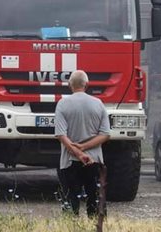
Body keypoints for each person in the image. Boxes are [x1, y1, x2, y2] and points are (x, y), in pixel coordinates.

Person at [54, 70, 110, 217]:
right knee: (95, 202)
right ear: (87, 85)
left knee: (71, 202)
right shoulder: (98, 104)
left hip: (69, 162)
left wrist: (78, 153)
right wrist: (84, 149)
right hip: (94, 161)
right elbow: (105, 134)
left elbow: (61, 135)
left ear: (70, 85)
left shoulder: (62, 104)